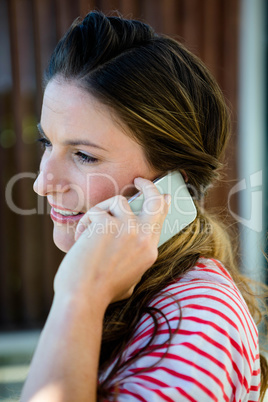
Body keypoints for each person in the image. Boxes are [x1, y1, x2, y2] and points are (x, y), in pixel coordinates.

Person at [21, 11, 267, 402]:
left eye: (84, 155)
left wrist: (77, 296)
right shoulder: (129, 296)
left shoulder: (199, 322)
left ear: (173, 183)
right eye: (47, 143)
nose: (41, 183)